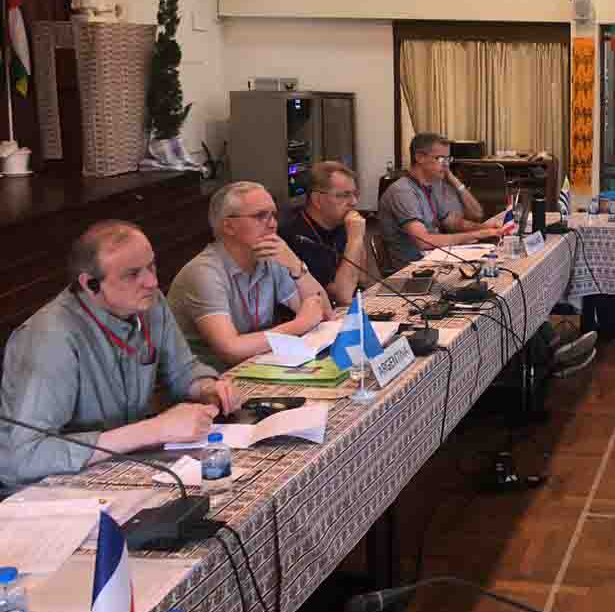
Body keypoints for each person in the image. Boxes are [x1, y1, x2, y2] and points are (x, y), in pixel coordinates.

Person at [0, 221, 241, 488]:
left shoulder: (150, 303)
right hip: (47, 491)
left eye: (151, 266)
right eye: (132, 274)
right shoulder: (50, 338)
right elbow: (24, 456)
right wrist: (154, 429)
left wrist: (208, 387)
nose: (152, 282)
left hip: (121, 468)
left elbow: (183, 370)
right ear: (90, 284)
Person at [169, 181, 334, 372]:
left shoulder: (272, 257)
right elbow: (230, 349)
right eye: (261, 216)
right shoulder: (203, 273)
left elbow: (324, 313)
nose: (273, 224)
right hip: (210, 379)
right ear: (229, 226)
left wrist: (296, 266)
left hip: (257, 366)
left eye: (273, 215)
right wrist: (299, 325)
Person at [378, 133, 505, 274]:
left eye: (448, 159)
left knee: (493, 267)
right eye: (440, 159)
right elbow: (424, 241)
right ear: (419, 157)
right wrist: (477, 234)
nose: (446, 165)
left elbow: (451, 222)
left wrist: (485, 228)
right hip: (411, 271)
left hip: (434, 260)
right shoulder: (402, 191)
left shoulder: (430, 185)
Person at [279, 161, 371, 305]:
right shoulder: (296, 236)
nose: (353, 202)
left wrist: (357, 239)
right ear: (317, 200)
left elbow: (362, 279)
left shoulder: (341, 224)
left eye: (355, 194)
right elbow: (342, 296)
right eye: (344, 195)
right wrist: (355, 240)